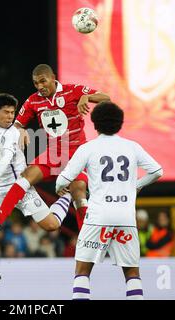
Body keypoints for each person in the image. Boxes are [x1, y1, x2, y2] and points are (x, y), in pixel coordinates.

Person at [0, 93, 76, 295]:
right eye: (6, 112)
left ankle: (69, 195)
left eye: (13, 112)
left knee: (51, 226)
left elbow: (8, 156)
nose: (10, 116)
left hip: (19, 186)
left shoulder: (13, 132)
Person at [0, 64, 110, 233]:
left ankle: (88, 238)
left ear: (53, 77)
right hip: (53, 154)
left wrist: (87, 97)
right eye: (36, 83)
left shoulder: (73, 90)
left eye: (43, 81)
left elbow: (106, 98)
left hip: (77, 155)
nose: (40, 86)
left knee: (78, 190)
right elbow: (15, 124)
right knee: (25, 176)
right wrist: (21, 129)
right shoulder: (33, 101)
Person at [55, 101, 163, 300]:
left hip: (98, 217)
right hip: (126, 218)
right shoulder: (132, 147)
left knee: (82, 271)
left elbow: (63, 179)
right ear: (120, 123)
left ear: (95, 124)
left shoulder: (89, 148)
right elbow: (157, 171)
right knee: (131, 274)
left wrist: (59, 187)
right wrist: (136, 185)